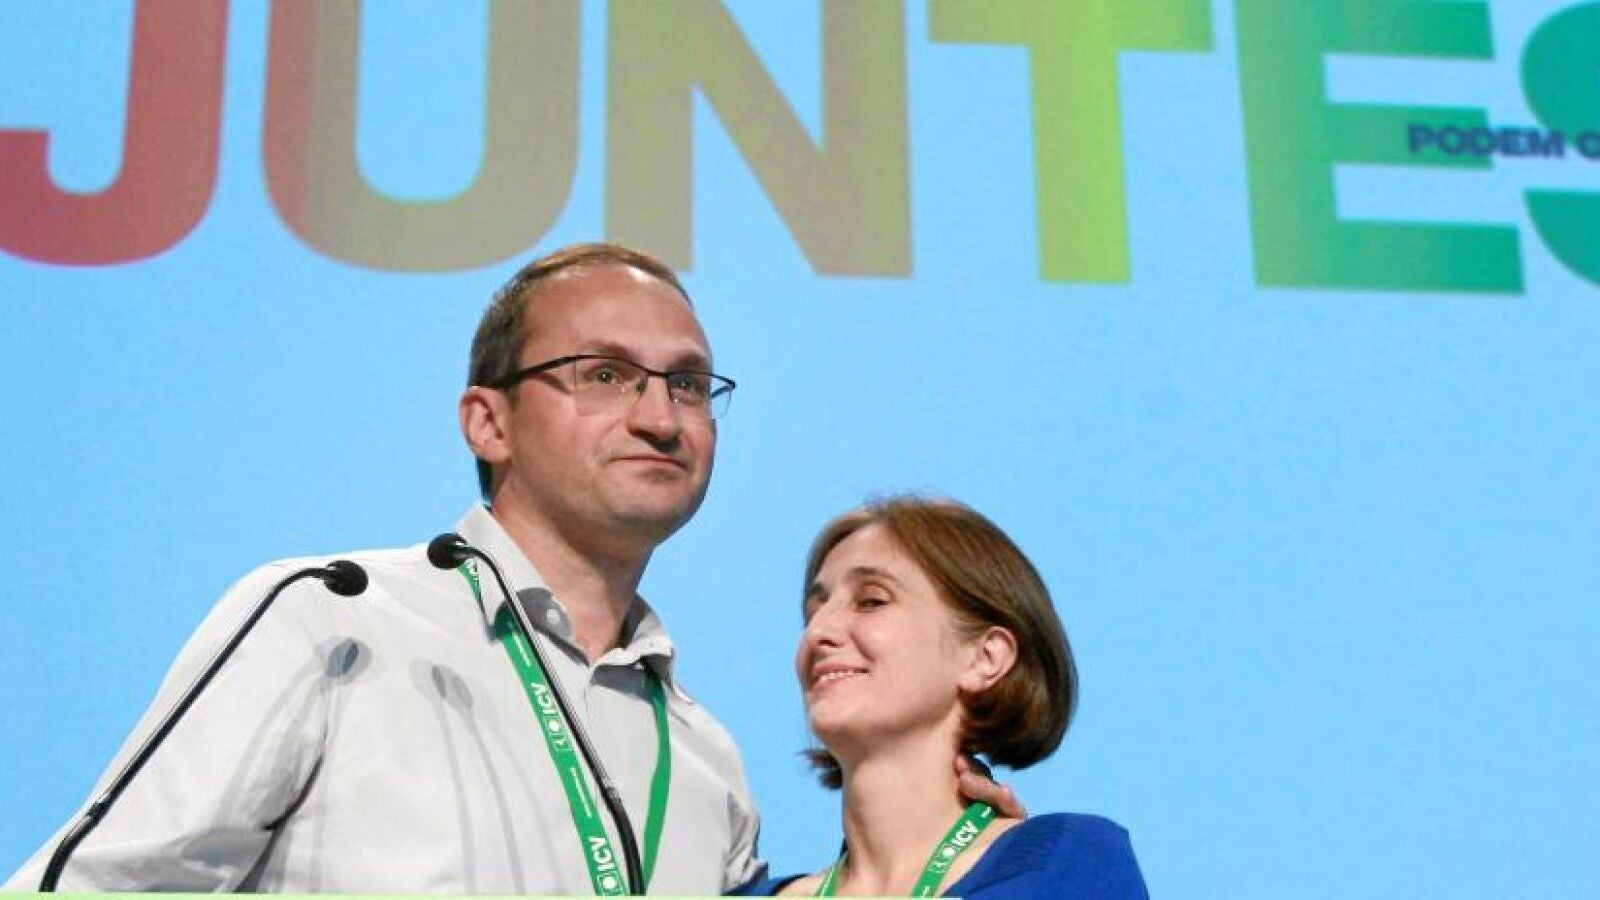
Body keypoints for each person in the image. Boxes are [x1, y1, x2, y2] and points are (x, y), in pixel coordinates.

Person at [6, 243, 760, 893]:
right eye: (604, 374)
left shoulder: (707, 760)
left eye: (688, 384)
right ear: (489, 423)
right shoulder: (330, 623)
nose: (660, 418)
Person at [746, 497, 1148, 898]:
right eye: (814, 612)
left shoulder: (1065, 864)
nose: (818, 633)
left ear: (985, 658)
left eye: (872, 601)